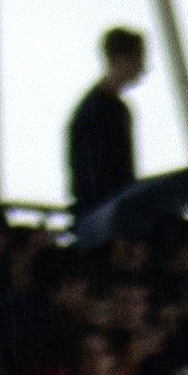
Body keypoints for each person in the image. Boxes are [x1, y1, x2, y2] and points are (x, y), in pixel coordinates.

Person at [63, 32, 148, 229]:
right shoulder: (99, 110)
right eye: (138, 59)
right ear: (120, 59)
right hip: (104, 215)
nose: (142, 68)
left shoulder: (106, 108)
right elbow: (90, 172)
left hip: (106, 211)